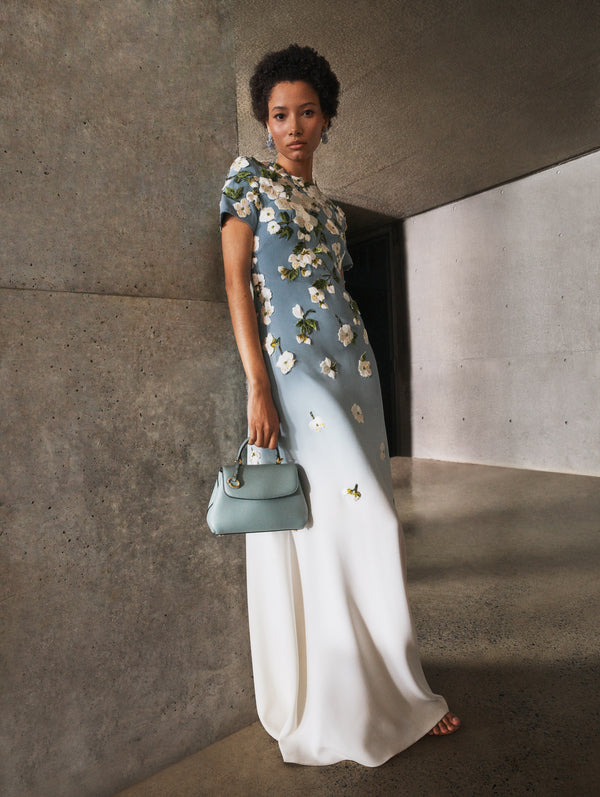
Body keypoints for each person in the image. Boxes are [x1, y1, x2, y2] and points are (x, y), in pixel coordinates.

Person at [219, 43, 460, 767]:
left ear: (328, 119)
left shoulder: (330, 209)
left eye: (307, 112)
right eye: (279, 115)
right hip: (295, 380)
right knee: (354, 520)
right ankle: (349, 697)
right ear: (265, 124)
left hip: (353, 371)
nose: (293, 127)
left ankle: (393, 684)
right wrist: (258, 383)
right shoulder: (248, 182)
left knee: (365, 522)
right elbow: (237, 285)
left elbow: (336, 293)